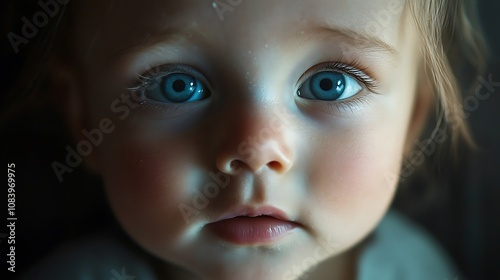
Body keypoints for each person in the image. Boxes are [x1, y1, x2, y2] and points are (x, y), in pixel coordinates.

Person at [14, 0, 487, 279]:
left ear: (411, 121)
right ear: (83, 117)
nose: (254, 149)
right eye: (177, 85)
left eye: (331, 84)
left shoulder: (416, 268)